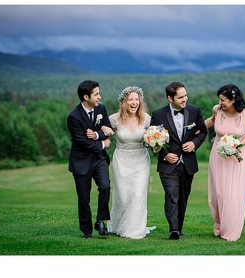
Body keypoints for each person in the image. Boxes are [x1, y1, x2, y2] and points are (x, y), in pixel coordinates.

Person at [150, 81, 208, 240]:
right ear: (170, 98)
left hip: (188, 163)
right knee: (171, 194)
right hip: (168, 164)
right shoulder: (158, 114)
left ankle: (179, 227)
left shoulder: (195, 111)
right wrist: (165, 154)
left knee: (183, 197)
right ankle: (173, 229)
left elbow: (203, 131)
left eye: (186, 96)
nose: (185, 99)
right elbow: (152, 139)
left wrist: (194, 143)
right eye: (181, 97)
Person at [203, 84, 245, 241]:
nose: (220, 103)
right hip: (218, 156)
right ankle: (219, 223)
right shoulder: (217, 110)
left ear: (233, 100)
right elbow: (212, 121)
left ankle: (230, 229)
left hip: (238, 157)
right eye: (219, 99)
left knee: (233, 193)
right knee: (218, 193)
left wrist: (237, 145)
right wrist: (194, 129)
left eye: (223, 100)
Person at [105, 86, 156, 239]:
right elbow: (101, 128)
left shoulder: (146, 118)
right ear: (124, 102)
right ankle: (118, 224)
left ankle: (134, 230)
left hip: (140, 160)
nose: (134, 103)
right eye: (130, 100)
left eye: (137, 99)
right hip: (121, 160)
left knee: (138, 194)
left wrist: (157, 142)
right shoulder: (115, 118)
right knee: (122, 195)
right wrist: (102, 136)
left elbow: (156, 134)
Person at [67, 80, 114, 238]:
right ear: (86, 97)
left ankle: (100, 220)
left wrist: (96, 134)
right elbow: (81, 141)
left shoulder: (101, 108)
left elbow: (107, 129)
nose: (99, 97)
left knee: (105, 187)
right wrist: (102, 143)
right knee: (84, 198)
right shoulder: (73, 117)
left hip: (99, 159)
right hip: (81, 161)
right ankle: (86, 231)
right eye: (96, 94)